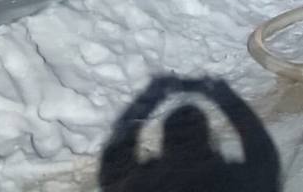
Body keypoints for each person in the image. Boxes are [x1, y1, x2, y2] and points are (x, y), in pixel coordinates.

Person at [100, 76, 280, 192]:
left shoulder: (141, 184)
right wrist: (224, 97)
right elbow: (260, 148)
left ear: (165, 141)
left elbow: (116, 153)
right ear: (208, 138)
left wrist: (148, 98)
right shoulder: (237, 181)